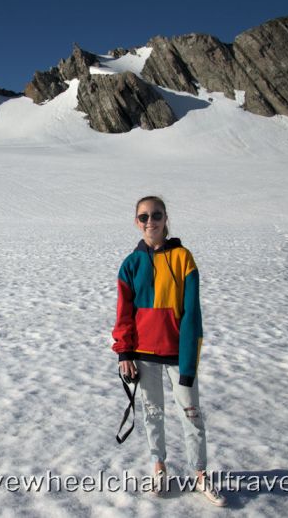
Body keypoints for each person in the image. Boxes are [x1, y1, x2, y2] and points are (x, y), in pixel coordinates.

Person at [111, 195, 226, 506]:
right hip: (142, 355)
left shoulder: (183, 259)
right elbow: (124, 314)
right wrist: (125, 353)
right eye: (144, 217)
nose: (151, 222)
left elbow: (192, 316)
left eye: (156, 215)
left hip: (177, 355)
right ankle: (158, 465)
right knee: (152, 413)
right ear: (137, 222)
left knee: (191, 413)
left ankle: (200, 473)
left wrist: (189, 363)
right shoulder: (131, 264)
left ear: (165, 218)